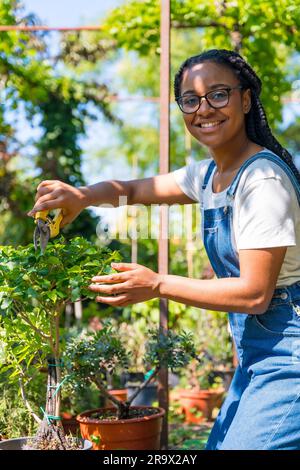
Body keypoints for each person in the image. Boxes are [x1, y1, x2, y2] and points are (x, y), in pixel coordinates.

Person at [28, 49, 300, 450]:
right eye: (191, 100)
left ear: (245, 99)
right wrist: (82, 195)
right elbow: (134, 191)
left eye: (219, 94)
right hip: (258, 355)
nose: (204, 108)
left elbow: (255, 294)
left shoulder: (261, 180)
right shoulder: (208, 175)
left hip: (289, 355)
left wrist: (156, 284)